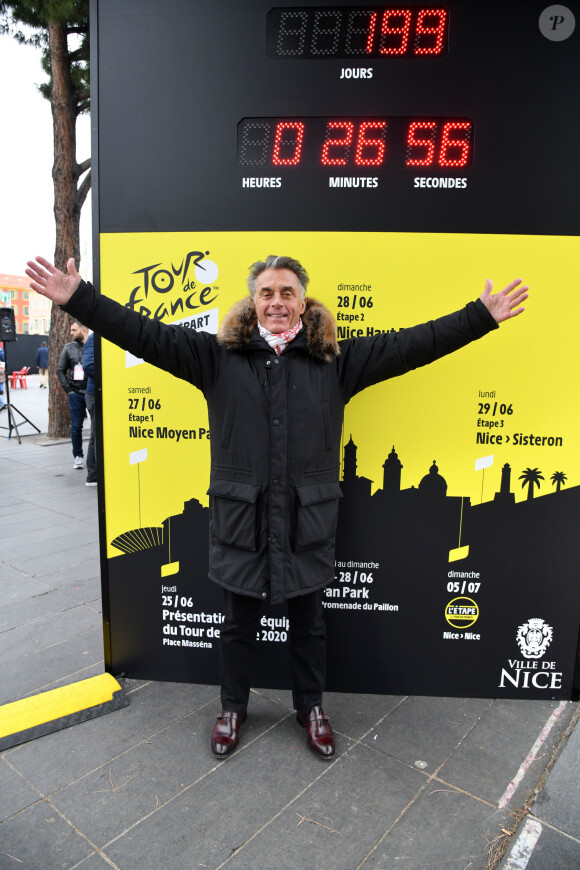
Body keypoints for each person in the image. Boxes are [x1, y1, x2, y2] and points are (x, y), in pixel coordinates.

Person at [26, 254, 528, 760]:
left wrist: (480, 316)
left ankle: (311, 708)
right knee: (238, 624)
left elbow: (412, 345)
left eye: (288, 293)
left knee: (309, 625)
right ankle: (232, 708)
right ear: (253, 302)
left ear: (303, 302)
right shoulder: (216, 358)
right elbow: (143, 333)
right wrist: (81, 298)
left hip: (305, 521)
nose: (277, 303)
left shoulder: (335, 362)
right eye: (267, 293)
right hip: (242, 520)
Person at [57, 319, 88, 469]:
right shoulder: (68, 348)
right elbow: (60, 370)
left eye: (74, 330)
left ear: (83, 330)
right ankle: (78, 456)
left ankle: (98, 457)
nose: (71, 333)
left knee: (97, 426)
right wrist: (68, 390)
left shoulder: (92, 346)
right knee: (76, 427)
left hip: (91, 392)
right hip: (75, 393)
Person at [83, 331, 98, 486]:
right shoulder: (95, 337)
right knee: (97, 434)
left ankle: (94, 474)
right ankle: (94, 475)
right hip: (95, 393)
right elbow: (88, 366)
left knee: (96, 433)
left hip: (96, 392)